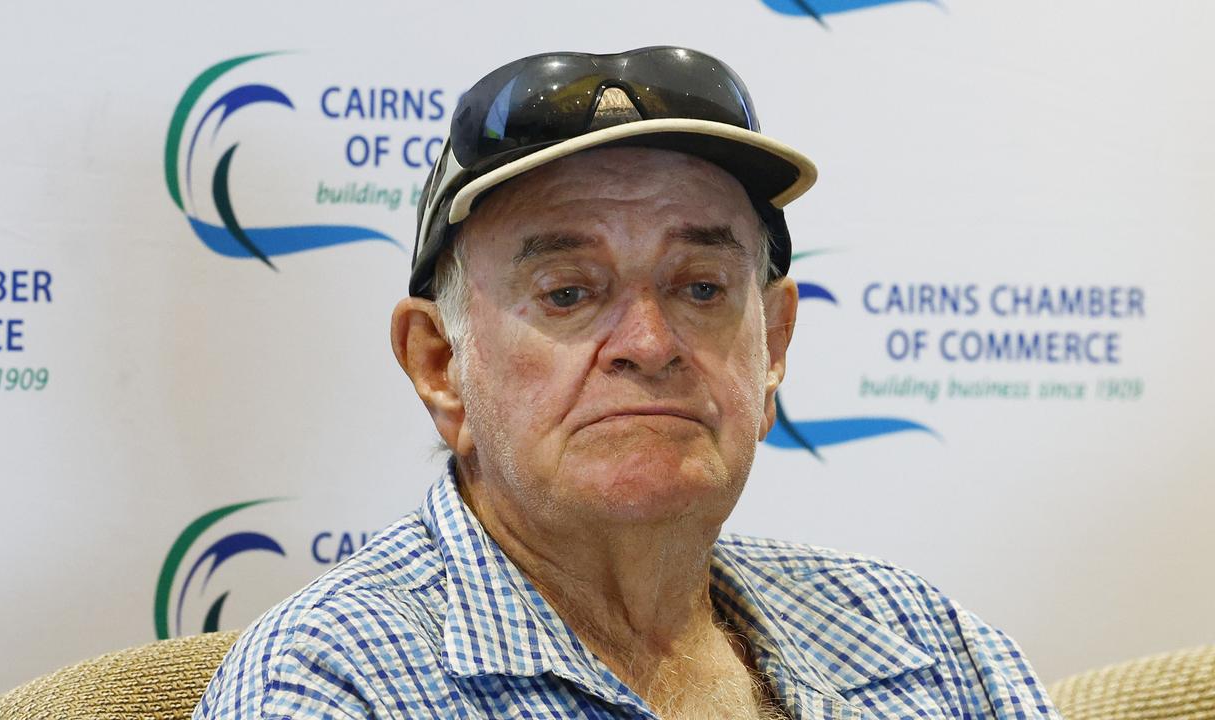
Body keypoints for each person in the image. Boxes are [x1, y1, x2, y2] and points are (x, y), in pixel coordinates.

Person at [195, 47, 1058, 720]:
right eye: (569, 292)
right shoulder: (333, 685)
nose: (650, 343)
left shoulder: (924, 642)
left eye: (701, 288)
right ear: (440, 365)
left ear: (776, 347)